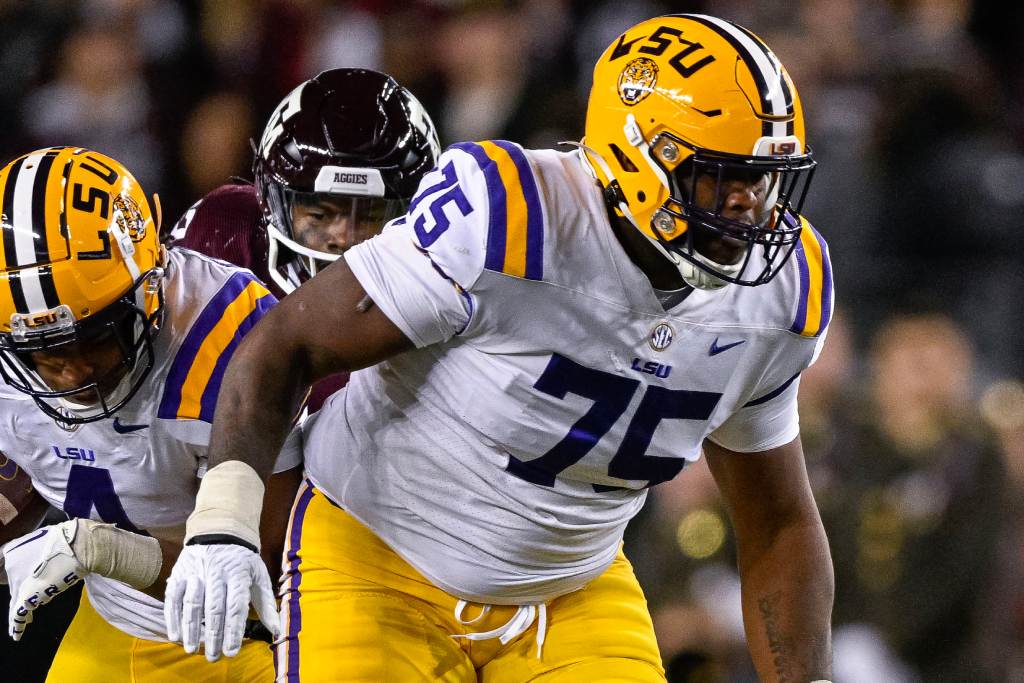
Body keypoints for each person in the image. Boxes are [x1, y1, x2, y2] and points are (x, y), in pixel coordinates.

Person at [166, 13, 835, 682]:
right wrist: (224, 521)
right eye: (719, 178)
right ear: (636, 157)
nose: (749, 208)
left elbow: (778, 523)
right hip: (376, 554)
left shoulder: (783, 291)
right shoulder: (512, 217)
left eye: (763, 181)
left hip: (570, 589)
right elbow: (286, 342)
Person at [0, 146, 302, 681]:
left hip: (261, 638)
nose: (72, 374)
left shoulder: (230, 341)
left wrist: (101, 548)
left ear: (151, 287)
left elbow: (266, 568)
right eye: (43, 352)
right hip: (119, 622)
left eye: (93, 338)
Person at [169, 67, 440, 412]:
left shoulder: (448, 278)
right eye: (321, 214)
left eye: (370, 214)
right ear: (269, 200)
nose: (343, 236)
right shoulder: (224, 232)